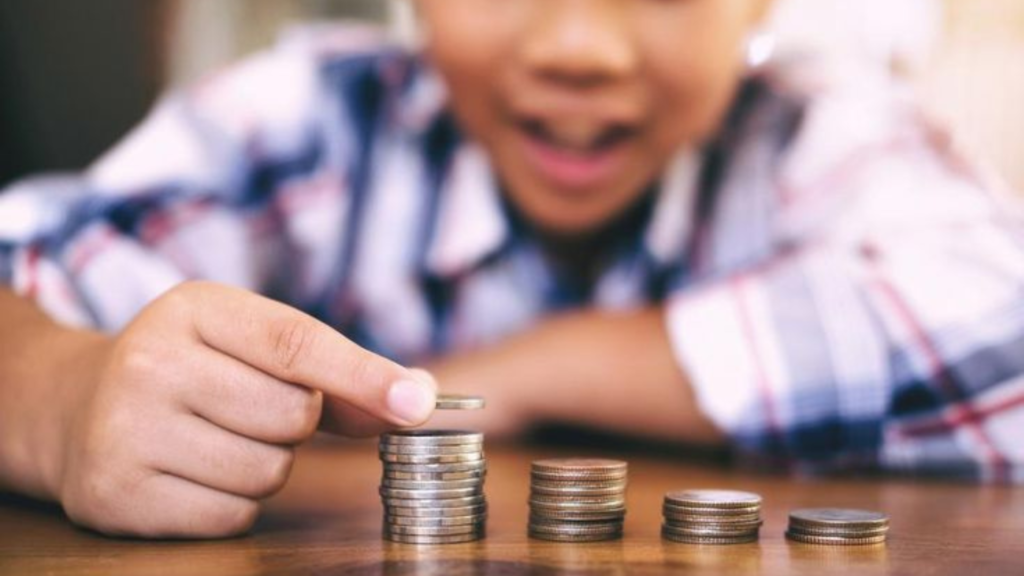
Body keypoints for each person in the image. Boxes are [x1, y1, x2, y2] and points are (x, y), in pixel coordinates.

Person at [1, 0, 1023, 539]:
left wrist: (529, 375)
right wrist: (60, 398)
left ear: (758, 7)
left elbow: (1000, 322)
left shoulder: (817, 131)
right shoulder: (302, 118)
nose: (578, 46)